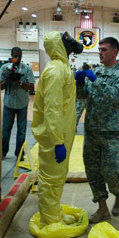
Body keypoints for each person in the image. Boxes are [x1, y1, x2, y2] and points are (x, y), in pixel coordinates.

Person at [76, 37, 119, 223]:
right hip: (91, 128)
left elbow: (116, 96)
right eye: (99, 49)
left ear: (114, 52)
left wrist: (95, 81)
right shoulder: (95, 71)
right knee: (92, 171)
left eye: (104, 49)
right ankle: (102, 208)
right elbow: (84, 96)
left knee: (110, 170)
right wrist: (79, 83)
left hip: (110, 130)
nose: (100, 52)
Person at [31, 31, 83, 226]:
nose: (71, 42)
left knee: (57, 176)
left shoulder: (62, 68)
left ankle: (53, 212)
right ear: (58, 45)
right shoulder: (55, 71)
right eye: (66, 39)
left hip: (61, 133)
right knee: (51, 178)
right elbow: (52, 110)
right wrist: (57, 141)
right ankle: (50, 220)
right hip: (55, 137)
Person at [0, 47, 35, 159]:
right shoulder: (4, 68)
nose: (17, 58)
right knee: (5, 130)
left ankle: (19, 153)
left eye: (19, 56)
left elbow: (31, 87)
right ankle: (3, 152)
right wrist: (7, 78)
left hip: (22, 104)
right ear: (11, 55)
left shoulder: (27, 69)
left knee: (22, 131)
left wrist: (19, 82)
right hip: (8, 104)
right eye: (15, 55)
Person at [75, 63, 91, 130]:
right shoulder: (89, 75)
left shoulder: (80, 75)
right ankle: (89, 128)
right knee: (89, 114)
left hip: (81, 97)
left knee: (77, 113)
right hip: (87, 98)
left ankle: (73, 127)